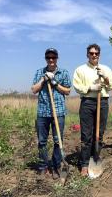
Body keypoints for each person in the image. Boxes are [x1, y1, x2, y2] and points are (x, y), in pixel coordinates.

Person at [73, 44, 112, 176]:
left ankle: (95, 157)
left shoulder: (106, 69)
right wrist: (91, 87)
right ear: (87, 55)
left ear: (99, 55)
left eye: (96, 53)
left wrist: (106, 78)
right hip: (88, 102)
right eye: (91, 53)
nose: (94, 55)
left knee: (99, 133)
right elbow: (77, 86)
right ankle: (85, 164)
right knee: (86, 135)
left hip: (102, 102)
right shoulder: (80, 70)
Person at [31, 48, 71, 179]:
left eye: (53, 57)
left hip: (58, 111)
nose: (51, 60)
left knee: (57, 140)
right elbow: (34, 90)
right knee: (42, 141)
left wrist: (55, 83)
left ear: (57, 58)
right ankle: (43, 166)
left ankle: (56, 166)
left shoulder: (63, 72)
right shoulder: (39, 72)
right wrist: (43, 79)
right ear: (46, 58)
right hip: (42, 111)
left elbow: (67, 91)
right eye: (48, 57)